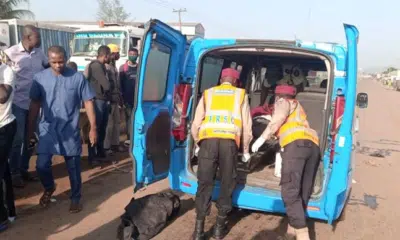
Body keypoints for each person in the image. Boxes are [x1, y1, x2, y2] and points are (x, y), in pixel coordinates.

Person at [27, 46, 97, 213]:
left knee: (73, 167)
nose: (58, 65)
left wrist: (93, 128)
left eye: (61, 61)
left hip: (70, 129)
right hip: (47, 129)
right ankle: (49, 187)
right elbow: (35, 104)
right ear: (48, 61)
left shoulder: (77, 78)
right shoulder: (39, 78)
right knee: (41, 165)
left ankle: (75, 198)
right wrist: (29, 130)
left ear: (66, 59)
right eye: (54, 62)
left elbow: (88, 102)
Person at [190, 68, 253, 240]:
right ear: (235, 81)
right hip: (229, 143)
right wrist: (246, 150)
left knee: (204, 183)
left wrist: (197, 143)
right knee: (227, 182)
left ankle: (198, 231)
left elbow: (196, 123)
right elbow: (247, 127)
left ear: (221, 79)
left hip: (208, 142)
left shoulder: (209, 93)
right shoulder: (241, 95)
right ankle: (219, 229)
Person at [251, 85, 320, 240]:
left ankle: (303, 235)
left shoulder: (282, 102)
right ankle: (290, 234)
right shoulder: (298, 107)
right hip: (313, 146)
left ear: (278, 96)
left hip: (296, 146)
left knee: (289, 192)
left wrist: (261, 139)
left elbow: (277, 121)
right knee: (302, 192)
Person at [5, 25, 49, 188]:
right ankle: (14, 172)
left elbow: (48, 67)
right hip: (18, 103)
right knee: (17, 140)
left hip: (35, 104)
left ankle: (24, 169)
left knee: (32, 138)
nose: (40, 40)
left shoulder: (40, 53)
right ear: (28, 37)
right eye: (38, 37)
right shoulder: (10, 54)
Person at [84, 45, 111, 166]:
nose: (110, 57)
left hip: (102, 99)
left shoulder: (101, 66)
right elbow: (106, 85)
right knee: (95, 128)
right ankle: (92, 156)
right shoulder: (96, 66)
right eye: (109, 55)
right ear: (105, 55)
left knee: (102, 128)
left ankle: (100, 153)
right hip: (97, 100)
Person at [0, 50, 17, 232]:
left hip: (4, 127)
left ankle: (2, 217)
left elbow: (3, 97)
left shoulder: (6, 71)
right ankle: (9, 210)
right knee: (3, 171)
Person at [104, 43, 124, 155]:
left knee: (117, 122)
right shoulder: (105, 67)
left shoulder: (113, 66)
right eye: (116, 53)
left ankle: (115, 144)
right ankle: (107, 147)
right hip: (110, 100)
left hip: (116, 99)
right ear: (111, 54)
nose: (118, 55)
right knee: (109, 124)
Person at [119, 48, 139, 146]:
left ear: (138, 55)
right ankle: (129, 138)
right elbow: (120, 84)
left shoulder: (139, 68)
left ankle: (136, 137)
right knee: (129, 119)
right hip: (127, 98)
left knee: (137, 118)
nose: (133, 56)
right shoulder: (123, 68)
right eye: (131, 54)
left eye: (134, 54)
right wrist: (121, 98)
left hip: (138, 99)